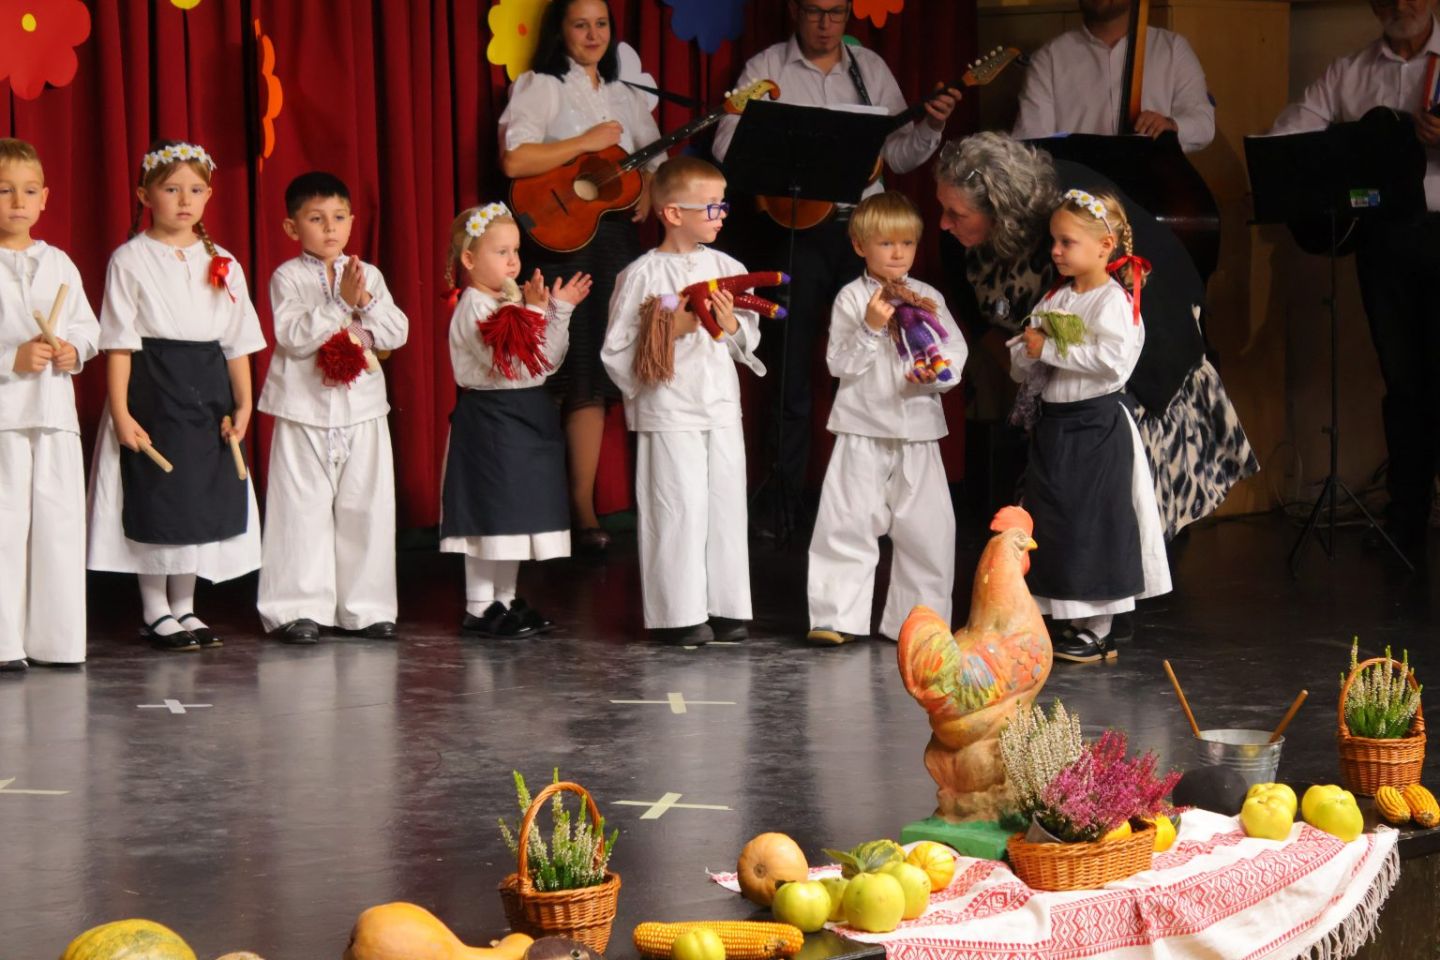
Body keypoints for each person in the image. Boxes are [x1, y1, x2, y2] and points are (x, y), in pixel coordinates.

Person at [934, 131, 1256, 546]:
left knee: (1133, 488)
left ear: (998, 207)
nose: (943, 223)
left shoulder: (1064, 221)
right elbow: (982, 307)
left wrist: (1051, 365)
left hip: (1144, 334)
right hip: (1067, 362)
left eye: (955, 214)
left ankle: (1127, 577)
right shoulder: (961, 235)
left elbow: (1115, 339)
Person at [712, 0, 960, 533]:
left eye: (837, 13)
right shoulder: (767, 67)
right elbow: (729, 144)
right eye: (815, 13)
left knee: (883, 357)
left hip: (864, 234)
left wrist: (931, 127)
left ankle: (877, 501)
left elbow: (898, 155)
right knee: (793, 370)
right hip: (798, 229)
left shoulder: (868, 70)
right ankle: (783, 501)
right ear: (794, 12)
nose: (826, 24)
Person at [1269, 0, 1440, 562]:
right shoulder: (1350, 71)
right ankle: (1406, 526)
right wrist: (1351, 149)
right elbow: (1288, 136)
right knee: (1406, 385)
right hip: (1386, 242)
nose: (1401, 5)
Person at [498, 0, 664, 555]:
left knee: (594, 370)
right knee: (549, 369)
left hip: (614, 240)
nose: (593, 34)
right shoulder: (541, 85)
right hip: (559, 238)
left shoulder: (626, 94)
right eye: (580, 24)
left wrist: (651, 191)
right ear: (560, 31)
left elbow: (652, 159)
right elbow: (516, 161)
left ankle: (583, 506)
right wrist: (585, 143)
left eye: (602, 24)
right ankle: (536, 504)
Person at [87, 140, 266, 651]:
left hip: (207, 388)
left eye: (195, 189)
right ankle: (153, 608)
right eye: (171, 189)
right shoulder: (130, 259)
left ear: (209, 195)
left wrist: (243, 404)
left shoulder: (224, 261)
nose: (184, 200)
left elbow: (238, 341)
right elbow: (119, 341)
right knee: (157, 496)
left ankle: (186, 606)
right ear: (146, 194)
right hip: (154, 385)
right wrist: (121, 411)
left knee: (198, 497)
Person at [602, 157, 764, 645]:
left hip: (718, 405)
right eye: (711, 207)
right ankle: (679, 612)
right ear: (672, 213)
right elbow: (617, 348)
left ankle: (727, 604)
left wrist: (732, 325)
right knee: (678, 506)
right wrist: (670, 328)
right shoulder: (643, 275)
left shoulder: (729, 268)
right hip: (669, 409)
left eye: (722, 205)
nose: (721, 215)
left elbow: (746, 340)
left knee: (724, 505)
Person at [1006, 188, 1171, 662]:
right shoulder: (1057, 296)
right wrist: (1026, 349)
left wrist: (1050, 350)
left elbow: (1113, 362)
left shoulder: (1114, 301)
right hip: (1056, 427)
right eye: (1053, 242)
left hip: (1094, 426)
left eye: (1067, 242)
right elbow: (1027, 360)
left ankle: (1099, 628)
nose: (1055, 251)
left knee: (1093, 523)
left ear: (1104, 246)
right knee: (1058, 521)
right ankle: (1066, 617)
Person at [255, 172, 410, 644]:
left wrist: (362, 301)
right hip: (305, 409)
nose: (330, 228)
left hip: (362, 408)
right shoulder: (288, 277)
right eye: (316, 219)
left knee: (368, 507)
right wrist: (340, 306)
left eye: (339, 218)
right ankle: (296, 608)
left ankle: (366, 608)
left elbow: (396, 332)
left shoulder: (368, 274)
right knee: (300, 510)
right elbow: (294, 338)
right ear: (291, 227)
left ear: (351, 221)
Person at [806, 191, 966, 646]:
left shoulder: (928, 296)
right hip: (862, 427)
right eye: (886, 244)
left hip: (917, 429)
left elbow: (954, 349)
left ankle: (920, 623)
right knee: (848, 521)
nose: (898, 253)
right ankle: (836, 616)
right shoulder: (852, 299)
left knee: (928, 530)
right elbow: (839, 364)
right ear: (860, 246)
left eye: (907, 244)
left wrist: (938, 372)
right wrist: (871, 328)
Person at [439, 201, 592, 637]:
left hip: (526, 414)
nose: (512, 261)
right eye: (500, 252)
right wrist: (537, 312)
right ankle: (478, 605)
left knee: (516, 515)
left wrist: (557, 311)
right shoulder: (474, 305)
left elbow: (543, 363)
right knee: (491, 514)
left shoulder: (511, 301)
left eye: (516, 251)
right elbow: (509, 359)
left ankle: (505, 599)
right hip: (492, 417)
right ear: (469, 260)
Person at [0, 138, 100, 672]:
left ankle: (57, 642)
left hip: (54, 417)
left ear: (45, 198)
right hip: (5, 419)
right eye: (4, 190)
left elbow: (87, 326)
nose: (17, 200)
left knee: (59, 527)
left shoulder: (59, 262)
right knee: (3, 528)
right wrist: (10, 357)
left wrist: (72, 350)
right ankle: (3, 642)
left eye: (28, 190)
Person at [1012, 0, 1215, 153]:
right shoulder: (1048, 58)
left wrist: (1170, 126)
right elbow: (1031, 144)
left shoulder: (1172, 48)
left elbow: (1203, 124)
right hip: (1079, 197)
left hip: (1153, 191)